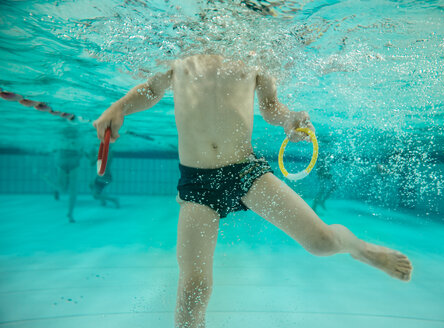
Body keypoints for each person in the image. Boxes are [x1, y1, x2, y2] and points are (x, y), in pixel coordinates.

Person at [93, 54, 412, 328]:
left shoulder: (253, 54)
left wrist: (288, 119)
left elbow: (271, 106)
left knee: (322, 243)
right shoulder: (181, 55)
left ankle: (362, 250)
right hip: (197, 183)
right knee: (193, 288)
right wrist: (119, 107)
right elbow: (150, 90)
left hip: (245, 170)